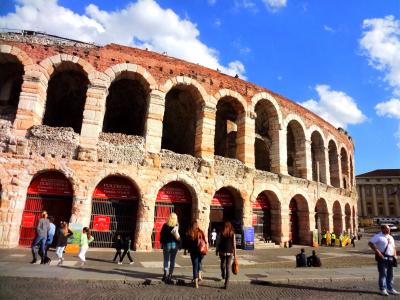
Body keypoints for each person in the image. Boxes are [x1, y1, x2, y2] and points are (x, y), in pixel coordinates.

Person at [368, 224, 398, 296]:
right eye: (387, 229)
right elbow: (370, 243)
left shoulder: (390, 237)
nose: (389, 230)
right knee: (383, 274)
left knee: (391, 275)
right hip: (382, 258)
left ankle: (390, 289)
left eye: (389, 229)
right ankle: (383, 289)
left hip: (391, 258)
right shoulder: (378, 236)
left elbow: (393, 247)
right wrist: (377, 252)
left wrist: (395, 255)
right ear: (382, 229)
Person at [183, 221, 207, 288]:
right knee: (199, 262)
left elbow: (186, 243)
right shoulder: (200, 232)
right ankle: (199, 275)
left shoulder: (189, 232)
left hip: (193, 251)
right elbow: (205, 241)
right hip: (200, 251)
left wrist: (185, 250)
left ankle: (196, 281)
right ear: (197, 225)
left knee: (195, 265)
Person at [160, 212, 180, 283]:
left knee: (166, 259)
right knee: (172, 260)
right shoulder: (177, 225)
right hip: (174, 245)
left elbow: (161, 234)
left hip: (167, 244)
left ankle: (165, 273)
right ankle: (170, 274)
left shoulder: (165, 225)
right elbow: (179, 237)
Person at [216, 221, 236, 289]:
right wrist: (235, 254)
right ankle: (226, 284)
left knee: (222, 265)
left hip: (222, 251)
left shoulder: (221, 233)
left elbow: (218, 242)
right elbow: (234, 244)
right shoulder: (232, 233)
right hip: (230, 252)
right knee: (228, 267)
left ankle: (223, 274)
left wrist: (217, 250)